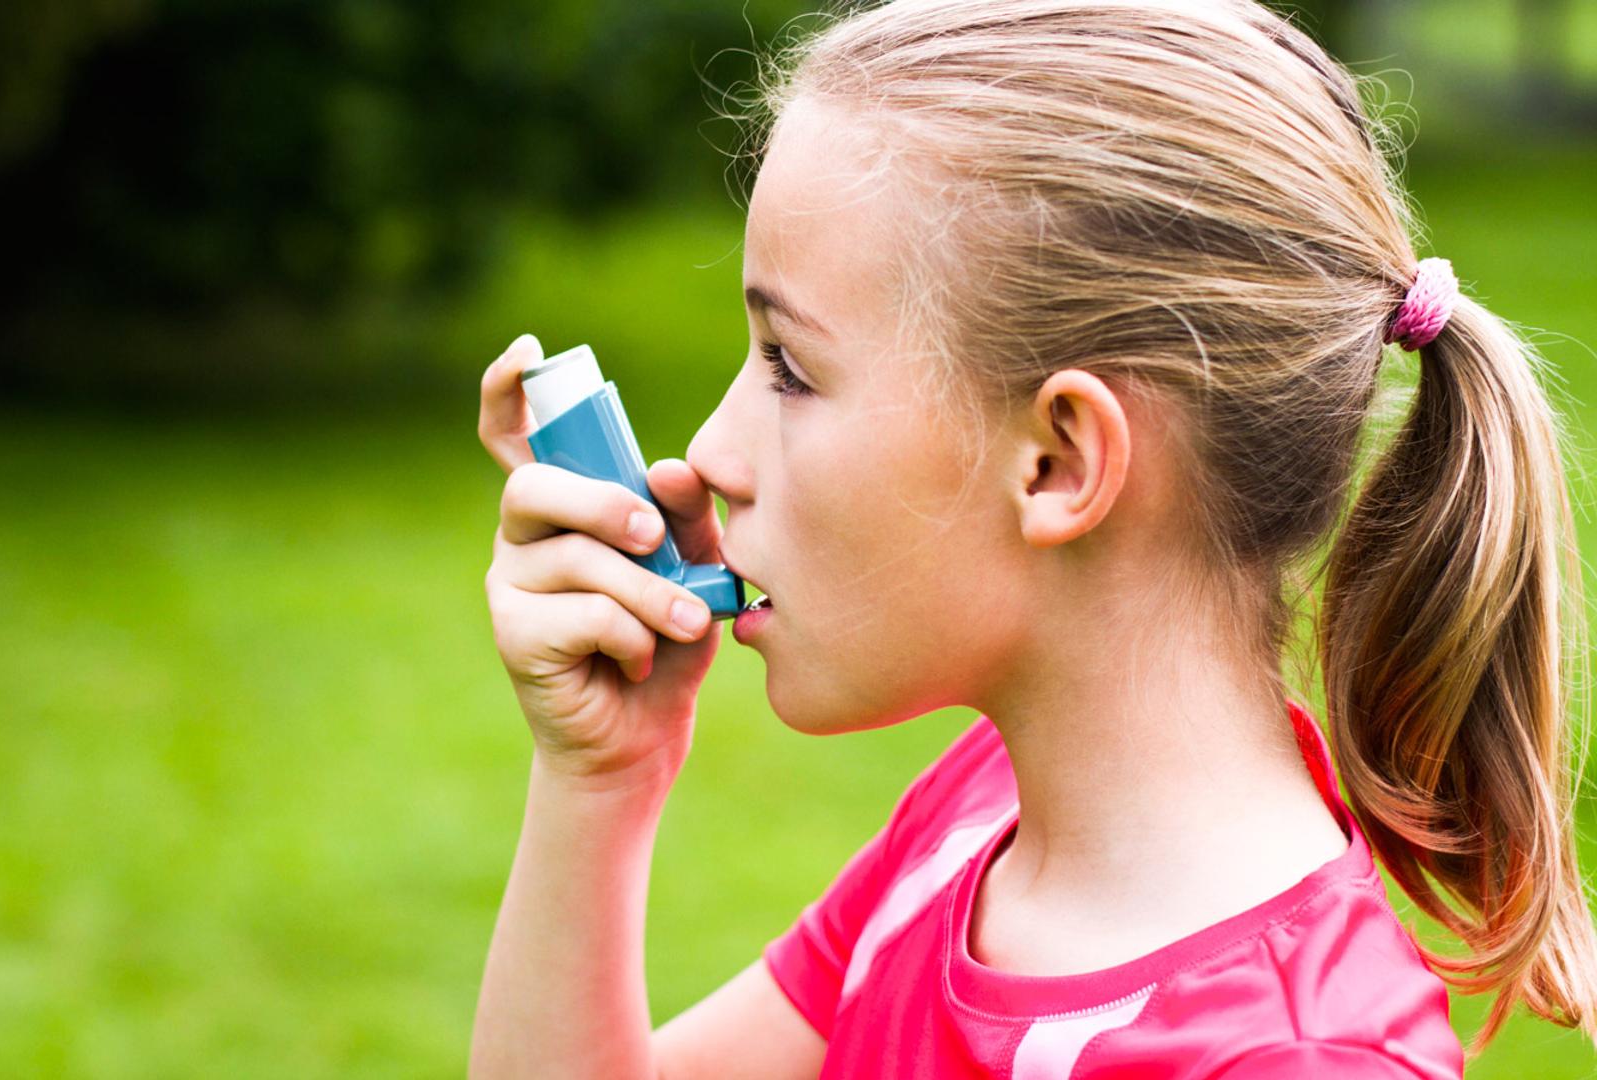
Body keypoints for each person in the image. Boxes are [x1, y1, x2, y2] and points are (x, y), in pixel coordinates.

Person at [468, 0, 1597, 1075]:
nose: (710, 452)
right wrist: (602, 780)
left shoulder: (1288, 1058)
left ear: (1058, 460)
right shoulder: (984, 822)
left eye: (791, 370)